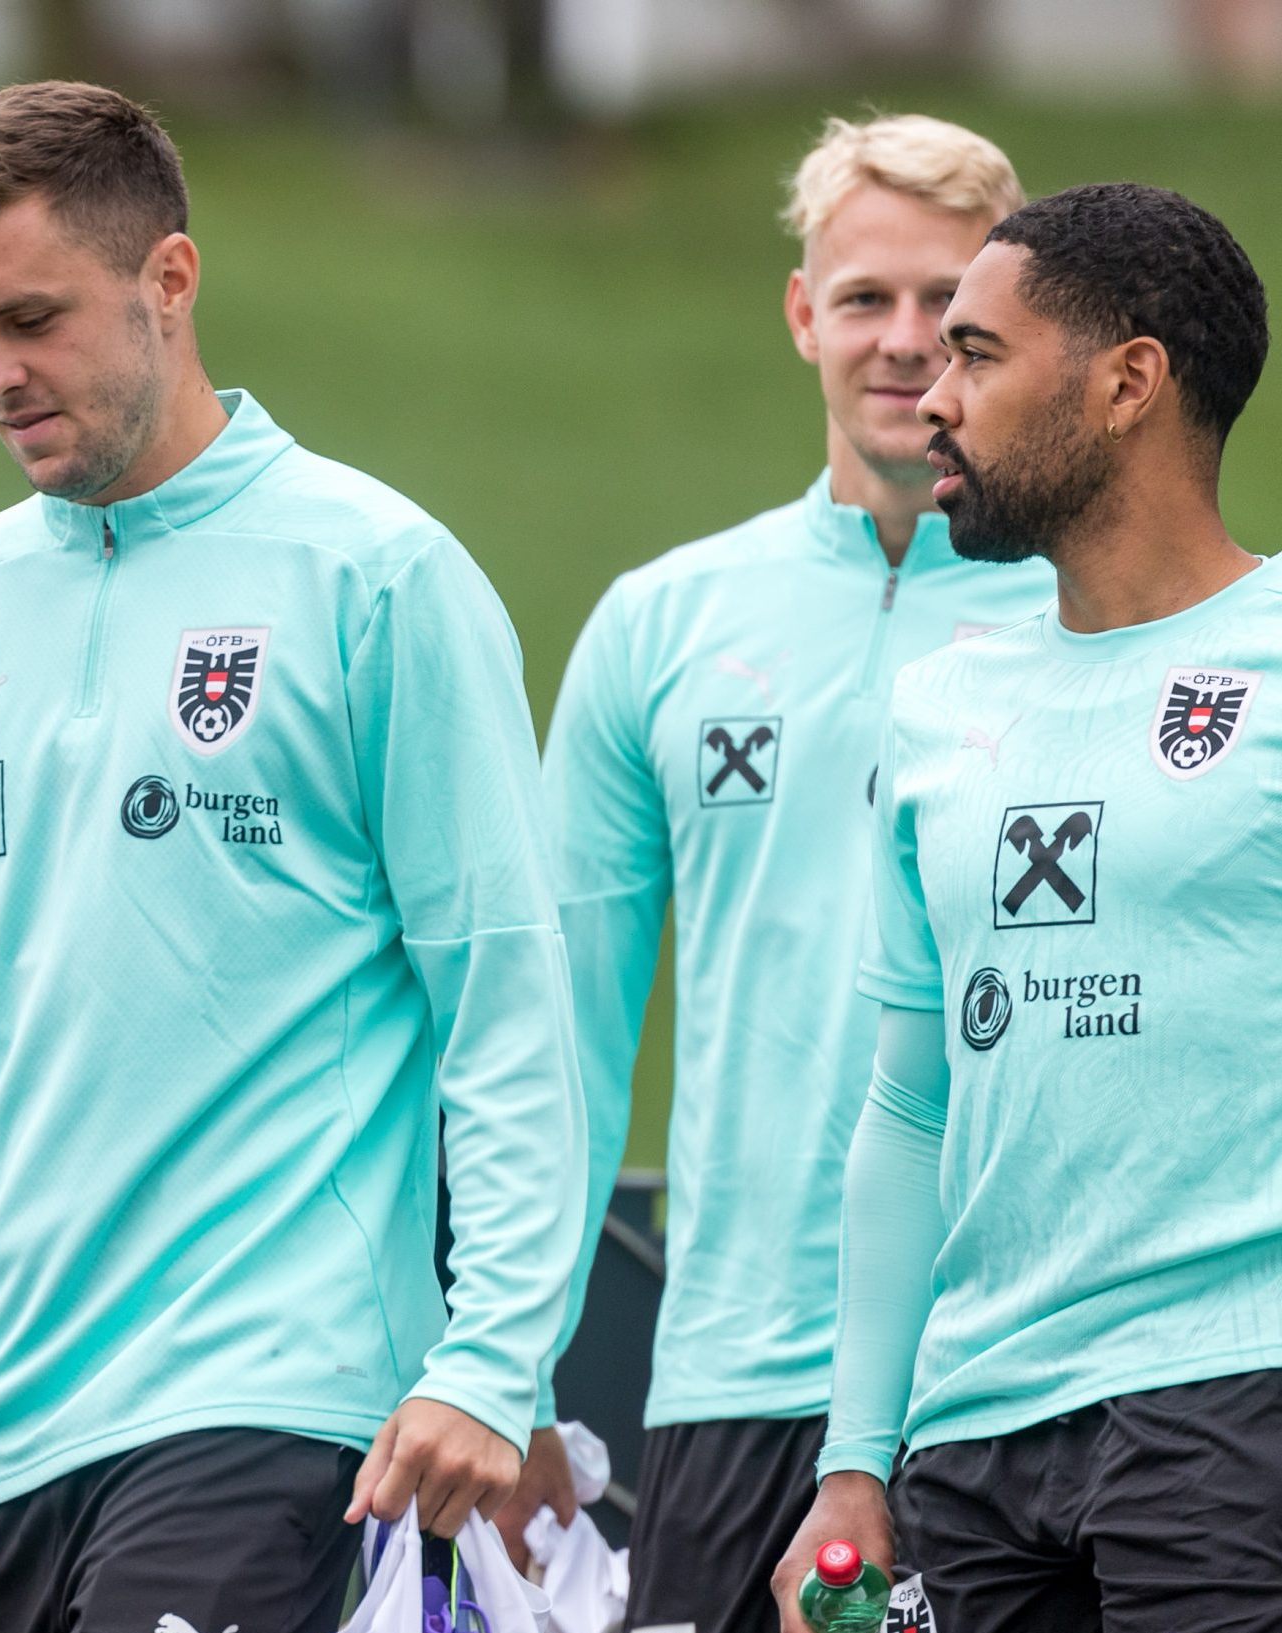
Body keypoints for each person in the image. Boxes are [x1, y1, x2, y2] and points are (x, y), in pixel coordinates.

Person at [0, 80, 584, 1633]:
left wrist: (492, 1356)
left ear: (168, 279)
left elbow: (511, 1006)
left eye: (31, 319)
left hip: (274, 1409)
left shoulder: (376, 576)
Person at [509, 115, 1053, 1630]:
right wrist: (512, 1369)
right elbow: (563, 1036)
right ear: (804, 313)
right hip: (731, 1375)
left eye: (948, 307)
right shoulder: (658, 625)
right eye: (865, 297)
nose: (905, 341)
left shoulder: (1094, 617)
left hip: (1017, 1371)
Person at [774, 181, 1280, 1632]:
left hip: (1231, 1403)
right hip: (975, 1443)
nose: (932, 398)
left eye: (977, 354)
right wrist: (856, 1460)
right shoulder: (937, 706)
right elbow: (908, 1107)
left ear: (1128, 382)